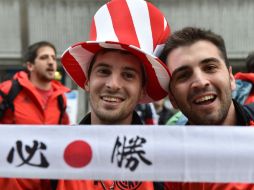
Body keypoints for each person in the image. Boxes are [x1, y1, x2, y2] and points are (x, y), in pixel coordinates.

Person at [57, 0, 171, 189]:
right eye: (103, 71)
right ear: (87, 81)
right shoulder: (54, 152)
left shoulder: (166, 163)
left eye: (128, 75)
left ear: (142, 89)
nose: (113, 85)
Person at [159, 26, 254, 189]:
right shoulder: (168, 170)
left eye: (210, 68)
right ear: (172, 98)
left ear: (231, 78)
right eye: (183, 75)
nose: (200, 82)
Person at [0, 41, 70, 189]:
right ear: (30, 65)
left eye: (53, 57)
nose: (51, 62)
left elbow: (64, 137)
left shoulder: (60, 98)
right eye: (44, 57)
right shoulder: (8, 91)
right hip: (12, 183)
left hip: (47, 182)